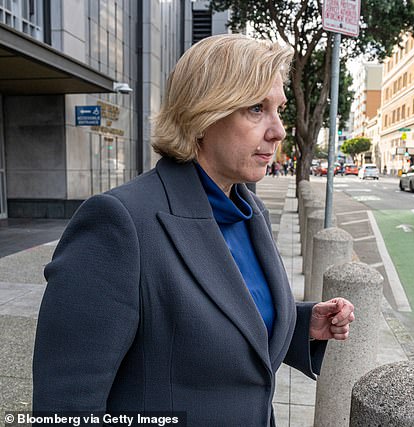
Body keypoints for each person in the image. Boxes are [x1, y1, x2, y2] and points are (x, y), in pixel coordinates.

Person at [32, 34, 354, 426]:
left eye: (278, 109)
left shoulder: (250, 212)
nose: (278, 131)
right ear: (203, 115)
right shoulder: (118, 224)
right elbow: (65, 407)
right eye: (256, 108)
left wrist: (304, 325)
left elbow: (225, 315)